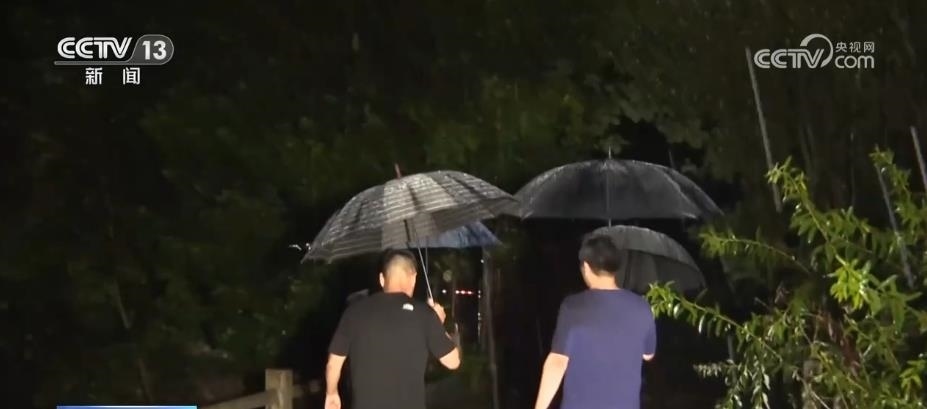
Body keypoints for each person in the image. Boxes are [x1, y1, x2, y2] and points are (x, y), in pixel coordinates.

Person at [324, 248, 461, 409]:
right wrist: (438, 323)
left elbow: (333, 363)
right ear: (413, 278)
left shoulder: (354, 312)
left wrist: (331, 393)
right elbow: (453, 361)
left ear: (382, 279)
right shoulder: (424, 314)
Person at [533, 234, 657, 409]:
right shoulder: (642, 307)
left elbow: (557, 361)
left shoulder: (573, 306)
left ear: (586, 267)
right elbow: (648, 354)